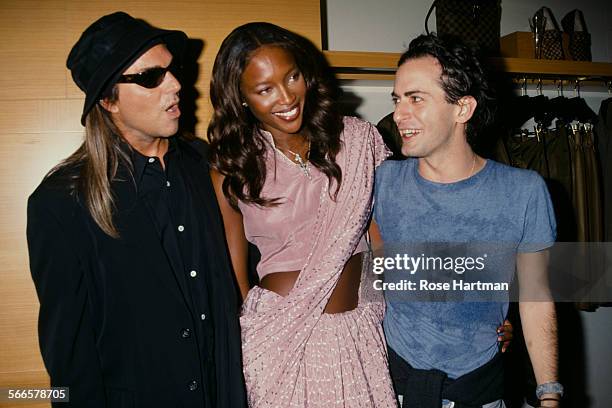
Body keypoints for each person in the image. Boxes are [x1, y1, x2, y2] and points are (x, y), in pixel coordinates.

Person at [26, 12, 245, 407]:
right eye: (150, 77)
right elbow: (70, 360)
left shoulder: (209, 166)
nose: (176, 84)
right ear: (108, 100)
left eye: (171, 70)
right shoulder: (60, 203)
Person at [207, 22, 397, 407]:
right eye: (264, 90)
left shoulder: (358, 140)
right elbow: (233, 273)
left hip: (359, 332)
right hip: (278, 340)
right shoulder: (231, 168)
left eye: (292, 76)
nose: (286, 97)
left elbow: (387, 241)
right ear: (240, 98)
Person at [371, 34, 562, 408]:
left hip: (480, 391)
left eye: (416, 99)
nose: (398, 114)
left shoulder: (523, 192)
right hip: (392, 389)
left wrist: (550, 395)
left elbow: (537, 299)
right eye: (397, 99)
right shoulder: (381, 183)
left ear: (463, 109)